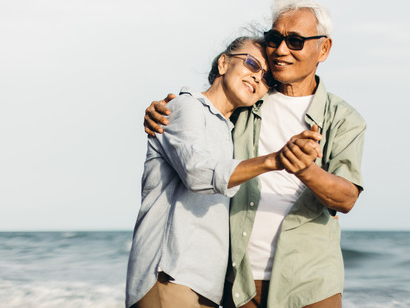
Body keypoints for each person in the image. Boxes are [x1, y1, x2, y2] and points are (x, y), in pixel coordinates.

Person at [144, 0, 366, 308]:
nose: (280, 50)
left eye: (295, 41)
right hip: (239, 282)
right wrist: (166, 109)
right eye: (274, 38)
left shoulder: (344, 118)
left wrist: (305, 168)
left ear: (324, 48)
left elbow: (346, 198)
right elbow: (201, 123)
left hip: (310, 284)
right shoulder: (249, 101)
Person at [126, 35, 324, 308]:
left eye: (267, 79)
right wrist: (273, 161)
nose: (257, 78)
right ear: (223, 63)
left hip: (203, 285)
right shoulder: (186, 106)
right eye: (253, 64)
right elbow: (198, 174)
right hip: (170, 274)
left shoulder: (228, 130)